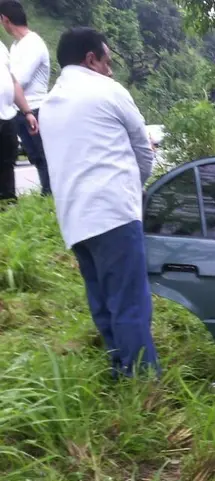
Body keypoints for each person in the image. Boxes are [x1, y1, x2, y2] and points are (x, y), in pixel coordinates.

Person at [41, 27, 159, 377]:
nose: (110, 68)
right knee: (130, 303)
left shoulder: (48, 104)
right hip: (114, 214)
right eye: (107, 61)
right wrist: (132, 188)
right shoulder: (107, 90)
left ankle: (120, 367)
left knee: (103, 302)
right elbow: (143, 150)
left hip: (74, 220)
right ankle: (142, 383)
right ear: (90, 59)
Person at [0, 0, 49, 195]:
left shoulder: (33, 43)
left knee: (42, 157)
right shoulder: (15, 46)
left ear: (5, 19)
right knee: (33, 156)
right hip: (19, 109)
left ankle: (50, 195)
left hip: (34, 107)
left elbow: (18, 80)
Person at [0, 35, 36, 202]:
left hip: (7, 115)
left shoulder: (1, 47)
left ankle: (7, 206)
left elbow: (13, 82)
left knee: (8, 162)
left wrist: (27, 111)